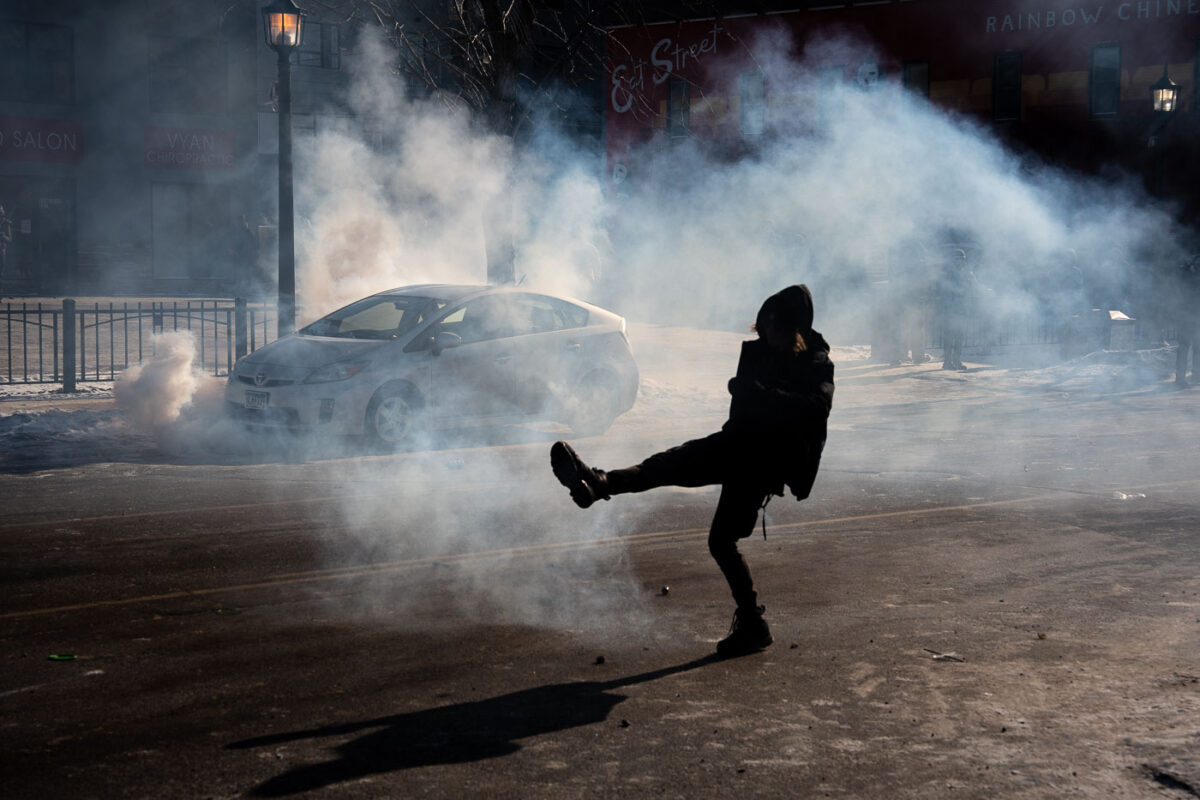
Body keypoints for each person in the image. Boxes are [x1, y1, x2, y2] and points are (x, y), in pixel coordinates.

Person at [550, 285, 835, 658]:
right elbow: (747, 408)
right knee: (665, 464)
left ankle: (753, 624)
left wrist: (761, 393)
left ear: (794, 330)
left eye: (775, 329)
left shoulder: (815, 361)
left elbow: (816, 407)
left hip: (762, 463)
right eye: (763, 328)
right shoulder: (762, 350)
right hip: (736, 444)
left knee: (721, 540)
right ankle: (598, 483)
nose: (767, 335)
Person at [1174, 254, 1200, 387]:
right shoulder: (1186, 277)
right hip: (1186, 315)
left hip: (1194, 315)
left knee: (1197, 346)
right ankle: (1180, 378)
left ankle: (1196, 376)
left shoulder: (1186, 275)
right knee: (1184, 347)